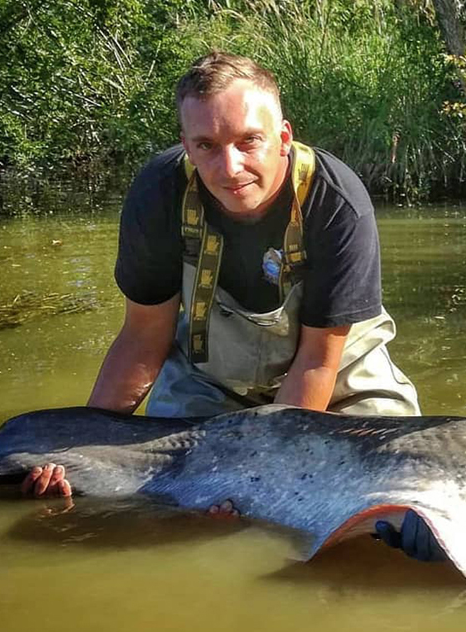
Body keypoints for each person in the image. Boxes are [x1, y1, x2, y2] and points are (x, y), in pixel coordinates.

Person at [24, 52, 420, 500]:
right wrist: (78, 448)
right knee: (164, 505)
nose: (229, 168)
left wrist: (255, 476)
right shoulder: (159, 192)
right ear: (186, 144)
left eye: (249, 141)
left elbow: (317, 361)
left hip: (338, 378)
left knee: (388, 486)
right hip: (211, 385)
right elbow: (141, 340)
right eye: (207, 145)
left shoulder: (336, 202)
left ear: (283, 137)